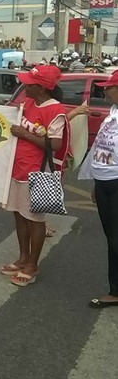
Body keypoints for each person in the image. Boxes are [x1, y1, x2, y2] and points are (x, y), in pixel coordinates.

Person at [0, 65, 70, 287]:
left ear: (40, 88)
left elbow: (56, 145)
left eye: (28, 84)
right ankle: (23, 258)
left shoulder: (55, 110)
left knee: (34, 219)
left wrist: (25, 134)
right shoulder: (28, 103)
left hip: (37, 172)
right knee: (19, 215)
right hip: (18, 168)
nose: (24, 86)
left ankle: (32, 264)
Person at [78, 71, 118, 307]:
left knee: (116, 240)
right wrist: (95, 182)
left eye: (109, 87)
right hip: (104, 183)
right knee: (112, 239)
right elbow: (101, 150)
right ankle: (115, 290)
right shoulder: (112, 114)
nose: (104, 90)